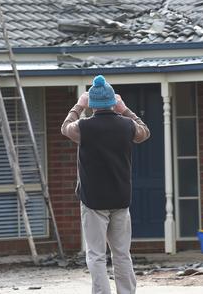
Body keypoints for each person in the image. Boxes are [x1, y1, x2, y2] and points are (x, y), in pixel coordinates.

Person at [61, 74, 150, 294]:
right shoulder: (127, 126)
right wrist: (125, 109)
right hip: (120, 198)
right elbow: (144, 132)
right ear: (112, 102)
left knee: (96, 255)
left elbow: (65, 127)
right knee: (122, 254)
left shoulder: (83, 127)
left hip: (93, 200)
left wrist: (79, 105)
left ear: (93, 104)